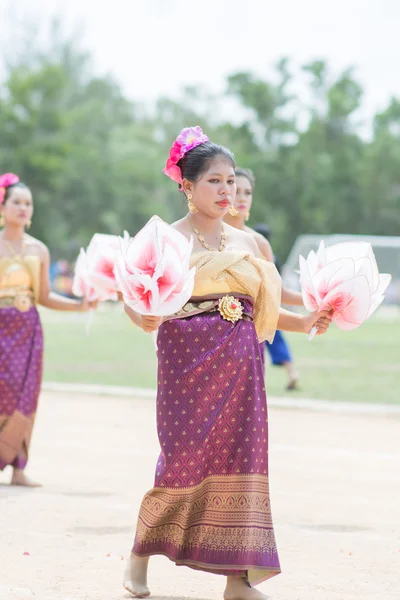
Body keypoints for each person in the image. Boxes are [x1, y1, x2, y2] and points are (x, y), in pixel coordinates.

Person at [122, 127, 331, 600]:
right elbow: (136, 302)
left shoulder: (250, 244)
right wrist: (143, 317)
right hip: (186, 362)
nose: (226, 190)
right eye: (214, 181)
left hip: (243, 367)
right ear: (187, 186)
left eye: (231, 180)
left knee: (244, 459)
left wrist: (310, 320)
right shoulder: (164, 240)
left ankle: (238, 581)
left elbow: (267, 310)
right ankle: (139, 557)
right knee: (182, 460)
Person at [0, 173, 95, 487]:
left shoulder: (38, 250)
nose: (24, 208)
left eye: (28, 203)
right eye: (17, 202)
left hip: (27, 331)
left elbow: (43, 296)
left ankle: (18, 468)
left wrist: (78, 304)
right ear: (3, 205)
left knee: (24, 395)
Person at [224, 168, 301, 390]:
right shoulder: (205, 236)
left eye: (248, 193)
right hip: (210, 339)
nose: (242, 198)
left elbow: (276, 293)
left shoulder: (260, 243)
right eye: (236, 190)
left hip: (250, 341)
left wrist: (315, 300)